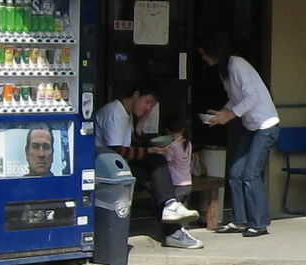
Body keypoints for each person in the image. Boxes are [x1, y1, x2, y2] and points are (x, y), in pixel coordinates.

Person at [97, 82, 200, 249]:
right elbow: (117, 151)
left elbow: (131, 143)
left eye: (152, 105)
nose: (149, 107)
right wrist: (148, 152)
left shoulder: (126, 114)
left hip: (118, 167)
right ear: (136, 95)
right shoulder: (115, 112)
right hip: (106, 169)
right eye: (148, 102)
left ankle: (172, 223)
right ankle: (173, 223)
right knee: (156, 162)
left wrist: (142, 122)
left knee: (157, 182)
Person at [200, 33, 278, 238]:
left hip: (265, 125)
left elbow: (251, 97)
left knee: (251, 174)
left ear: (213, 52)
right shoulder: (224, 70)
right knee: (235, 173)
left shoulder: (237, 65)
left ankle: (259, 223)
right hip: (249, 125)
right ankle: (239, 220)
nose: (203, 58)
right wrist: (221, 113)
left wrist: (230, 115)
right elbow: (235, 99)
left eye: (204, 53)